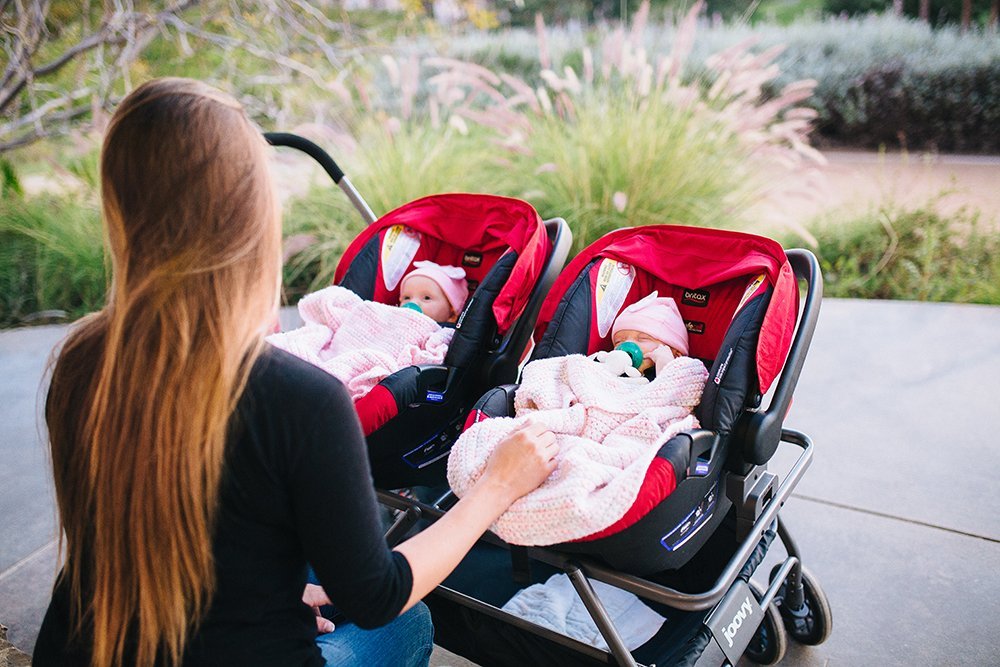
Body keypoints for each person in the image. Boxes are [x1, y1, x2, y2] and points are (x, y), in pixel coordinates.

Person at [34, 77, 558, 667]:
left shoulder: (81, 361)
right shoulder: (300, 399)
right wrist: (495, 488)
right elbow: (379, 593)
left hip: (83, 648)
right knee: (407, 626)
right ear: (253, 221)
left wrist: (277, 593)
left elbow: (159, 529)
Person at [605, 291, 691, 378]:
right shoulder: (609, 372)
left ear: (675, 355)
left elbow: (673, 388)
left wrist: (665, 364)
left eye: (642, 338)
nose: (628, 345)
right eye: (619, 341)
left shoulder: (683, 377)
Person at [398, 260, 469, 323]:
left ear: (452, 315)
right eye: (406, 298)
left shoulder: (445, 335)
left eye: (426, 298)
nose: (412, 303)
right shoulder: (394, 319)